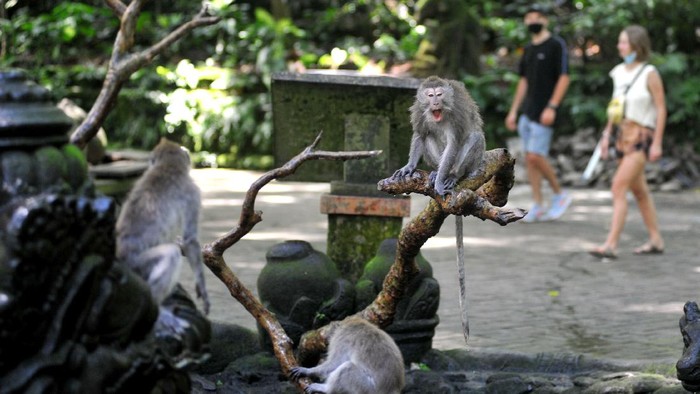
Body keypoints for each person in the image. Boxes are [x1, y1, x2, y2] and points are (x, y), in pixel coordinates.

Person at [589, 25, 666, 259]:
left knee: (618, 186)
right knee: (640, 191)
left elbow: (661, 108)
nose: (619, 46)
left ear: (636, 44)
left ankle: (611, 244)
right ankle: (656, 239)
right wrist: (606, 137)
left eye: (623, 42)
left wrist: (657, 143)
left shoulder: (649, 72)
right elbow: (615, 109)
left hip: (642, 136)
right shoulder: (619, 72)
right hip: (622, 136)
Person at [505, 4, 572, 223]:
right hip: (527, 113)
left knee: (536, 155)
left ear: (545, 20)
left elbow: (564, 77)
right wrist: (514, 111)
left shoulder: (556, 45)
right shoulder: (528, 49)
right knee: (530, 160)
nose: (533, 20)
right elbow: (523, 81)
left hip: (545, 112)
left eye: (537, 17)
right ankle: (538, 204)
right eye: (529, 17)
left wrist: (552, 106)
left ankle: (560, 195)